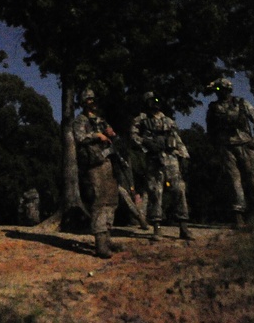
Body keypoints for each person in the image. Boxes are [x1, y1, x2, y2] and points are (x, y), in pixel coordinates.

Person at [204, 77, 254, 228]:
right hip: (226, 147)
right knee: (234, 182)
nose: (219, 93)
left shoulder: (241, 103)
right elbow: (210, 130)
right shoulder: (214, 108)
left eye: (222, 89)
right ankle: (238, 217)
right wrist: (216, 147)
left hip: (246, 145)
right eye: (218, 90)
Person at [130, 91, 192, 242]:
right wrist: (145, 143)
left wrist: (184, 155)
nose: (155, 103)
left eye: (157, 100)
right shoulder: (141, 120)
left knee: (179, 190)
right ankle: (157, 227)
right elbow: (133, 136)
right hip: (153, 159)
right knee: (155, 192)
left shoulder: (168, 120)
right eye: (151, 101)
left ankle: (183, 226)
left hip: (171, 158)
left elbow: (176, 138)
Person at [73, 88, 121, 258]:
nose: (92, 102)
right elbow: (80, 138)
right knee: (99, 200)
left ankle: (107, 237)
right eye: (89, 99)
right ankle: (100, 243)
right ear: (83, 102)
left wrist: (110, 133)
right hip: (93, 165)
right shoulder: (80, 120)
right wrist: (97, 135)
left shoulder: (101, 120)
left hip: (107, 161)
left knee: (112, 200)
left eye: (93, 99)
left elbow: (111, 135)